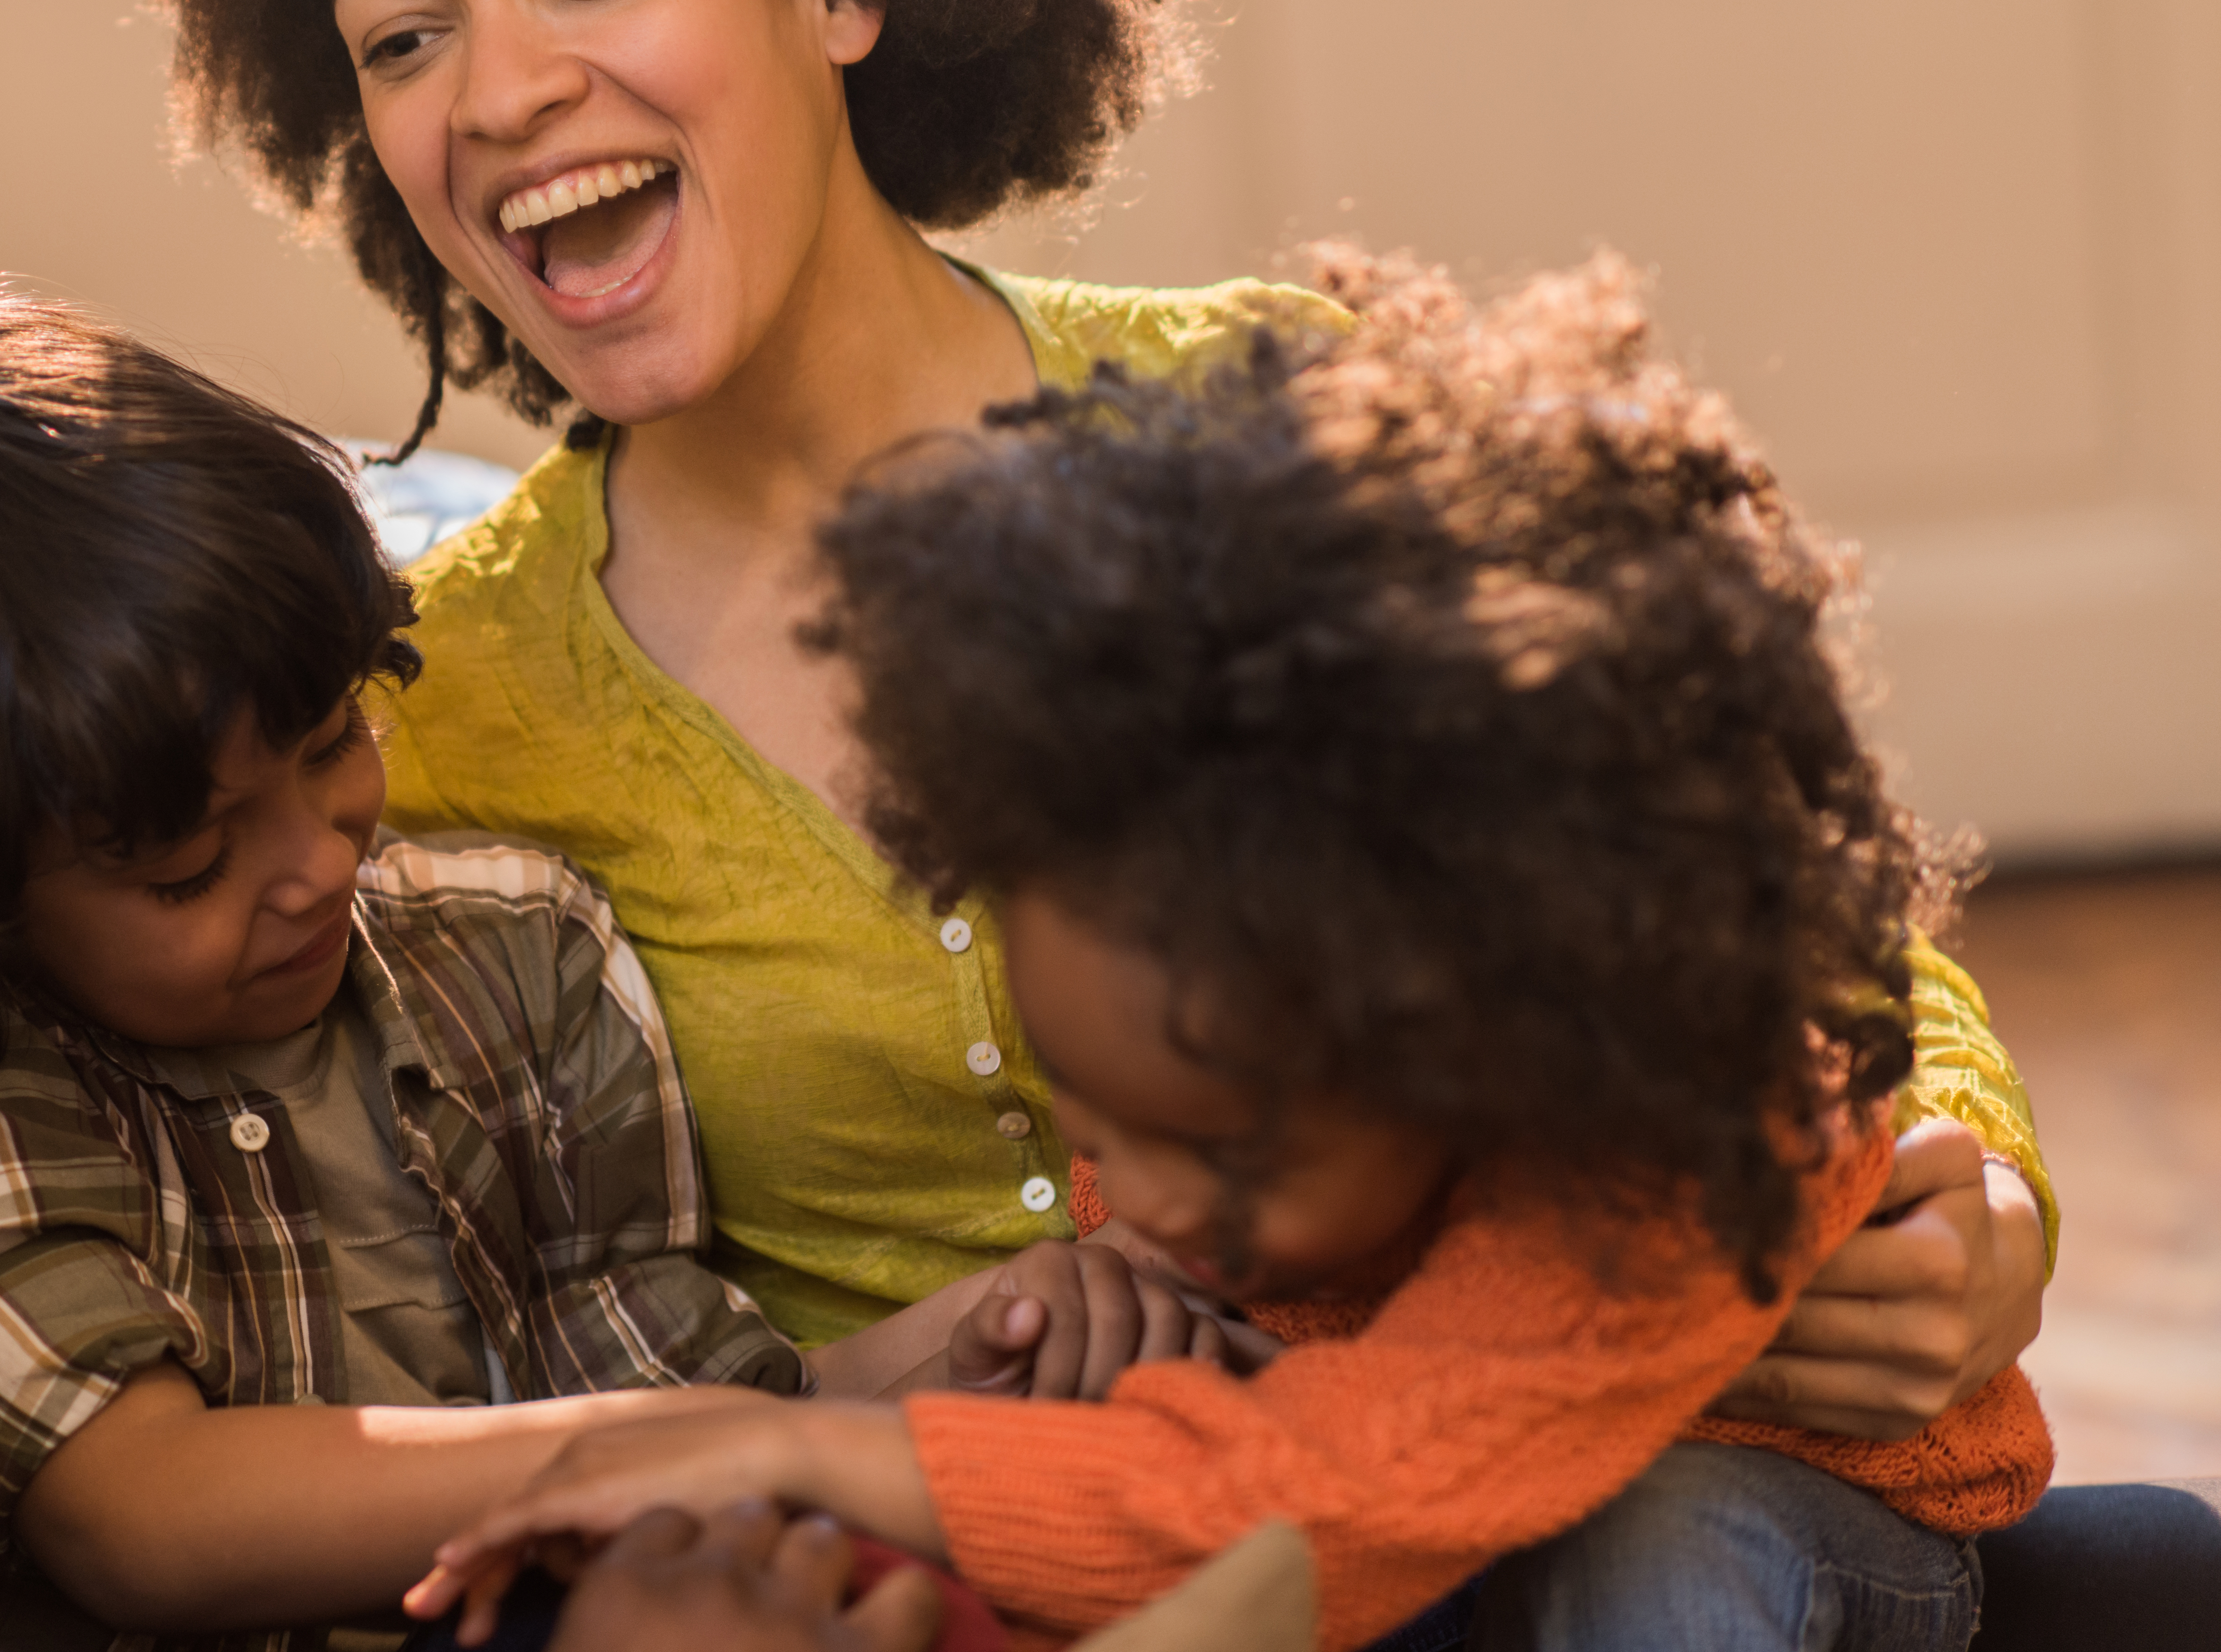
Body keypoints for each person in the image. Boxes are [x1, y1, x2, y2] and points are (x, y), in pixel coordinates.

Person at [0, 0, 2052, 1438]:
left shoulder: (1287, 410)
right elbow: (517, 1343)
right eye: (403, 36)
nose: (500, 90)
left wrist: (1985, 1203)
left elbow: (1790, 911)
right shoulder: (430, 738)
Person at [404, 254, 2055, 1652]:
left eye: (1217, 1155)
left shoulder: (1661, 1165)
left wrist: (806, 1456)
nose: (1145, 1197)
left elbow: (1349, 1483)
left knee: (1671, 1563)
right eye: (1098, 1124)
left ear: (1478, 1035)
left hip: (1775, 1497)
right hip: (1370, 1465)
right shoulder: (1196, 967)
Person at [0, 290, 1224, 1650]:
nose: (321, 864)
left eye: (333, 742)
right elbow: (149, 1521)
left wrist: (990, 1336)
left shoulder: (519, 950)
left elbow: (696, 1395)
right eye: (189, 868)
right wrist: (738, 1454)